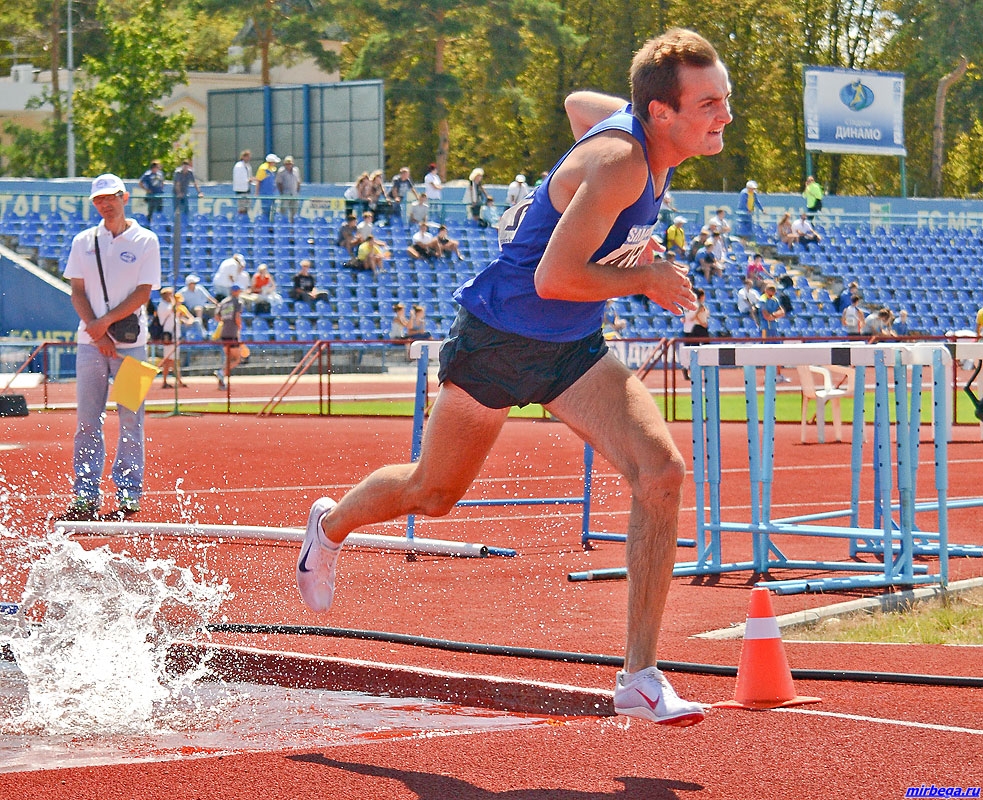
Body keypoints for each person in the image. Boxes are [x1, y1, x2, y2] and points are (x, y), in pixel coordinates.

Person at [295, 27, 731, 728]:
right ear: (660, 112)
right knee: (431, 495)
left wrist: (572, 171)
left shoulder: (646, 140)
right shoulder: (623, 161)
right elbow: (553, 277)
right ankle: (330, 523)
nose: (725, 116)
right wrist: (646, 276)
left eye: (724, 100)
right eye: (708, 103)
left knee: (661, 472)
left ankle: (640, 677)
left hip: (570, 350)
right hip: (498, 341)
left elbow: (577, 101)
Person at [58, 173, 161, 521]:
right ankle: (85, 493)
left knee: (132, 420)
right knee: (87, 421)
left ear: (125, 197)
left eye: (110, 197)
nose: (105, 203)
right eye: (98, 199)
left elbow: (144, 293)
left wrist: (105, 323)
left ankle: (129, 493)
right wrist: (98, 332)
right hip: (90, 346)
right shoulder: (83, 241)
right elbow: (77, 291)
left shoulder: (146, 240)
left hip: (134, 345)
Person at [156, 286, 191, 388]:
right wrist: (173, 300)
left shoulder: (168, 305)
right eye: (170, 294)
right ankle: (170, 381)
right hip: (169, 335)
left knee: (173, 359)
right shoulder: (163, 305)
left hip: (175, 335)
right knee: (169, 360)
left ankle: (177, 380)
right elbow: (172, 308)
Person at [757, 283, 788, 383]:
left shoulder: (775, 299)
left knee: (778, 350)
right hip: (766, 329)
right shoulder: (762, 300)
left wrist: (773, 315)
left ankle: (778, 375)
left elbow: (782, 312)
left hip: (774, 328)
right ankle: (767, 376)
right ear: (766, 291)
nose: (772, 294)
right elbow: (766, 316)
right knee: (765, 351)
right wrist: (775, 315)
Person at [215, 284, 243, 390]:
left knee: (228, 359)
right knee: (236, 359)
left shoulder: (224, 302)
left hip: (224, 333)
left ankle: (221, 381)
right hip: (232, 333)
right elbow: (237, 317)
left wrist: (225, 321)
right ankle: (221, 373)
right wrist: (239, 327)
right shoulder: (237, 302)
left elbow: (217, 317)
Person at [680, 287, 710, 380]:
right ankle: (698, 370)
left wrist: (685, 319)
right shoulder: (697, 305)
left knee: (689, 351)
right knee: (699, 350)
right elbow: (695, 317)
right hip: (695, 329)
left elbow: (686, 316)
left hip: (687, 329)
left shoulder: (686, 305)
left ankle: (687, 368)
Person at [138, 159, 165, 227]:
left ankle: (159, 224)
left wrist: (162, 187)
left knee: (159, 210)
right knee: (151, 210)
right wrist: (147, 190)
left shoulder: (160, 174)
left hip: (159, 195)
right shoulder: (148, 174)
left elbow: (162, 182)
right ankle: (148, 225)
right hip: (152, 195)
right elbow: (140, 183)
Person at [275, 156, 302, 222]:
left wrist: (297, 190)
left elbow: (298, 181)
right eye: (287, 164)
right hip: (285, 193)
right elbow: (279, 183)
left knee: (294, 211)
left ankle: (293, 227)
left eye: (290, 164)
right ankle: (282, 224)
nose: (288, 165)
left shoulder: (296, 170)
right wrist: (282, 192)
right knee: (283, 210)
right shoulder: (281, 171)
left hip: (294, 193)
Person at [255, 153, 281, 222]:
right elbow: (258, 181)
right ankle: (265, 225)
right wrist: (257, 192)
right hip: (265, 193)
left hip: (272, 193)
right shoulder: (263, 169)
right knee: (266, 210)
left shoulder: (272, 169)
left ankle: (271, 225)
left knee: (273, 210)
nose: (275, 163)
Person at [232, 150, 254, 215]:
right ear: (243, 157)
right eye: (247, 157)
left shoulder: (248, 166)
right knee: (241, 208)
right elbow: (238, 178)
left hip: (247, 189)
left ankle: (245, 220)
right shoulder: (239, 166)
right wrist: (247, 180)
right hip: (241, 190)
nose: (249, 158)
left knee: (247, 207)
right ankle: (241, 220)